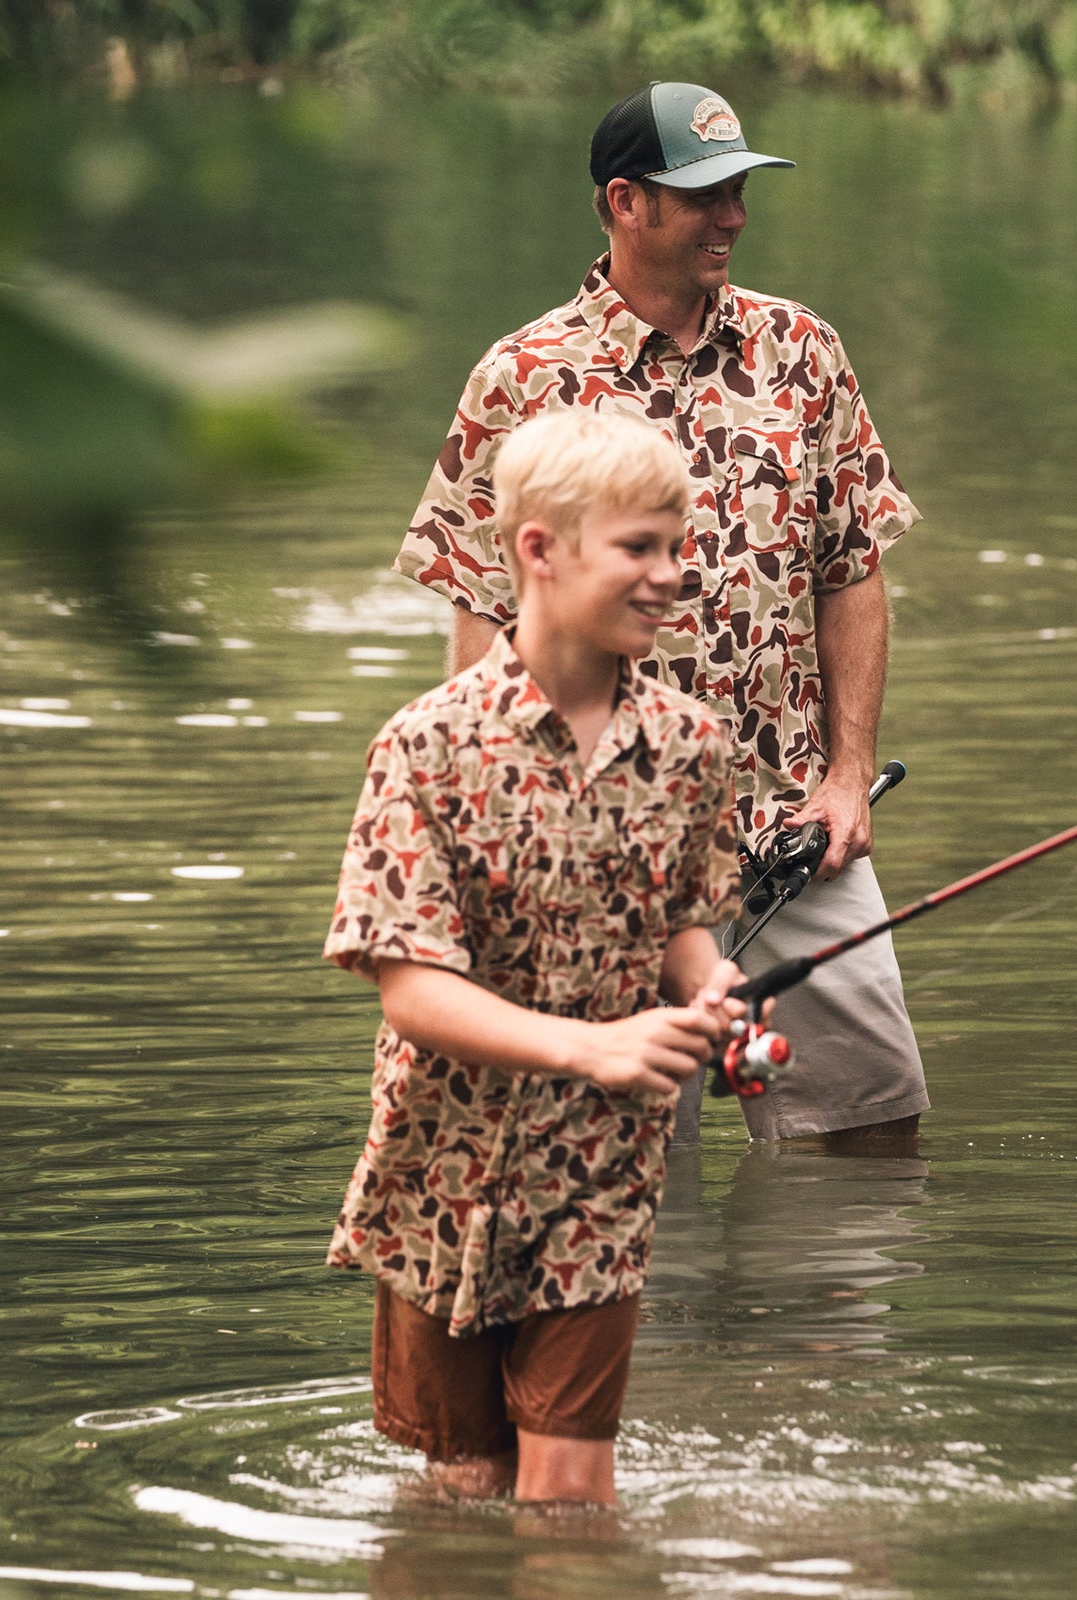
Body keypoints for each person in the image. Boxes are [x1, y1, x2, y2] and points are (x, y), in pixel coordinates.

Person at [394, 80, 928, 1153]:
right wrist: (511, 814)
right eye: (703, 196)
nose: (733, 215)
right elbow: (480, 610)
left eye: (739, 191)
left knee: (871, 1136)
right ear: (623, 202)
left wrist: (846, 772)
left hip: (794, 829)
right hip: (607, 845)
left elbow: (851, 566)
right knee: (630, 1167)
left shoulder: (802, 351)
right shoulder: (521, 377)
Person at [325, 411, 747, 1504]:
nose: (670, 574)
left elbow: (680, 925)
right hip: (439, 1174)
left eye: (677, 546)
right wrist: (595, 1046)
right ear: (539, 550)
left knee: (567, 1496)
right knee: (463, 1487)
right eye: (639, 547)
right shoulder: (424, 746)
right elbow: (413, 992)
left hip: (602, 1173)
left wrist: (714, 992)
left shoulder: (694, 749)